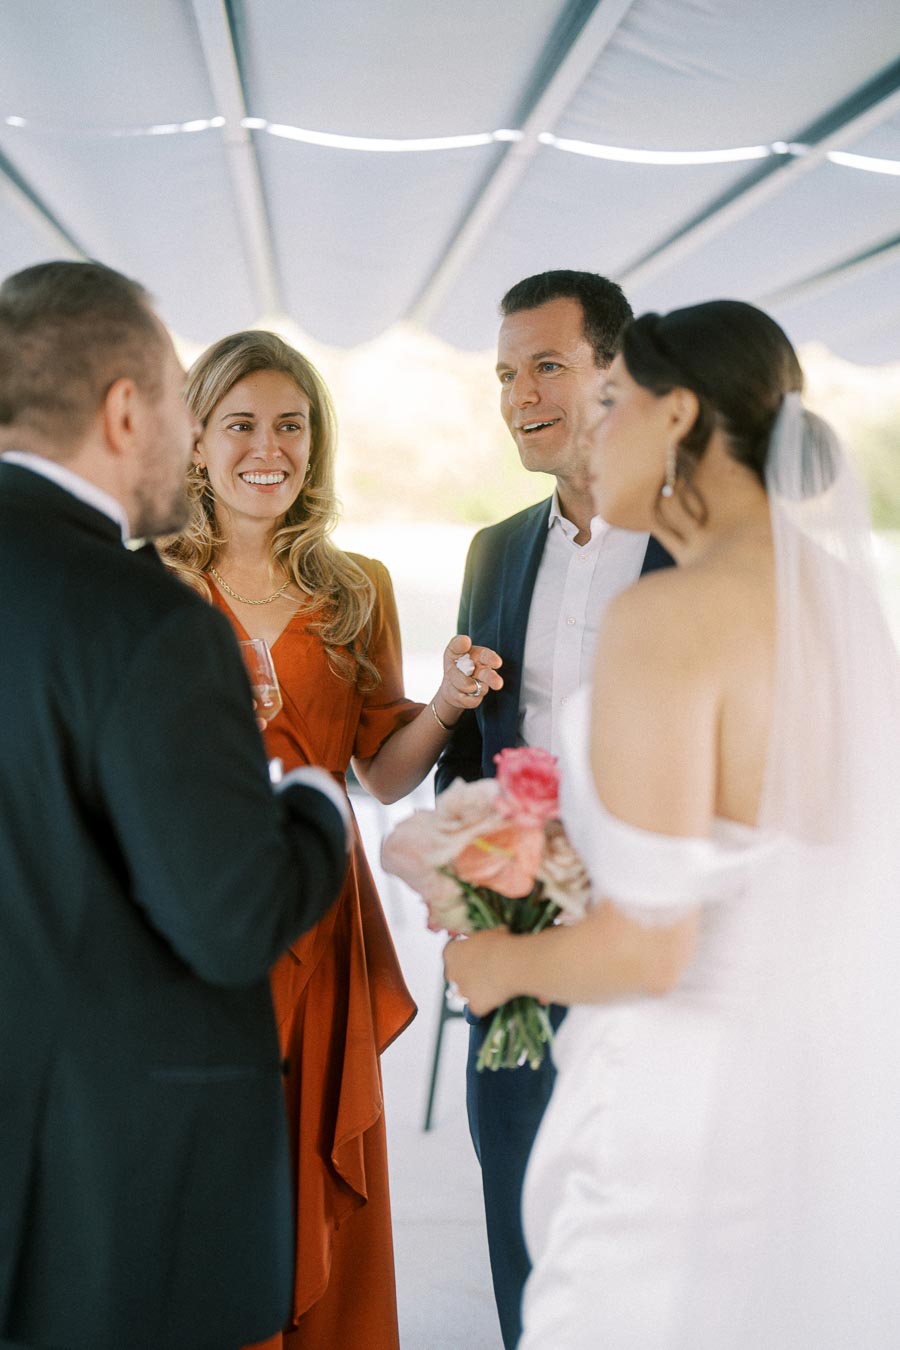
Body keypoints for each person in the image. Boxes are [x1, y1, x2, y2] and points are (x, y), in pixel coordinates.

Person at [446, 299, 900, 1348]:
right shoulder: (841, 604)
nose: (592, 433)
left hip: (681, 1110)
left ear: (680, 413)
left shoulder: (669, 616)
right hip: (811, 1103)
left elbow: (653, 950)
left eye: (612, 402)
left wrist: (497, 969)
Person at [0, 262, 349, 1350]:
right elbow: (231, 917)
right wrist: (314, 808)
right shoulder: (147, 621)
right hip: (101, 1197)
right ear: (123, 409)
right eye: (177, 402)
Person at [163, 329, 502, 1350]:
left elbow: (379, 772)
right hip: (194, 918)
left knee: (311, 1155)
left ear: (316, 443)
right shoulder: (145, 580)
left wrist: (444, 701)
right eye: (242, 425)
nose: (269, 448)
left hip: (321, 905)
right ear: (196, 441)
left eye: (292, 427)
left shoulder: (358, 586)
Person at [434, 269, 672, 1347]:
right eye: (504, 374)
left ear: (612, 373)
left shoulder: (701, 543)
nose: (520, 395)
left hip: (662, 954)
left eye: (545, 366)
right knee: (518, 1208)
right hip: (519, 945)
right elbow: (474, 755)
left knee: (657, 1226)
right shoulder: (492, 552)